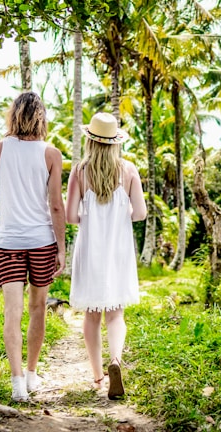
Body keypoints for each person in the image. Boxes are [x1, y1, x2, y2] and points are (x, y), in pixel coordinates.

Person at [0, 91, 66, 402]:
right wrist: (60, 246)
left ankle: (17, 382)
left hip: (8, 242)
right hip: (42, 241)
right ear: (41, 117)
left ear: (13, 115)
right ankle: (31, 375)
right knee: (37, 310)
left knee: (12, 313)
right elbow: (56, 206)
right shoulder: (51, 153)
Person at [65, 112, 147, 400]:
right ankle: (116, 360)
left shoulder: (80, 171)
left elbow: (70, 216)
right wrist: (119, 210)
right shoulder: (129, 171)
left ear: (91, 141)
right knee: (116, 314)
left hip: (90, 249)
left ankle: (98, 376)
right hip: (118, 250)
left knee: (92, 315)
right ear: (115, 143)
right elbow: (140, 213)